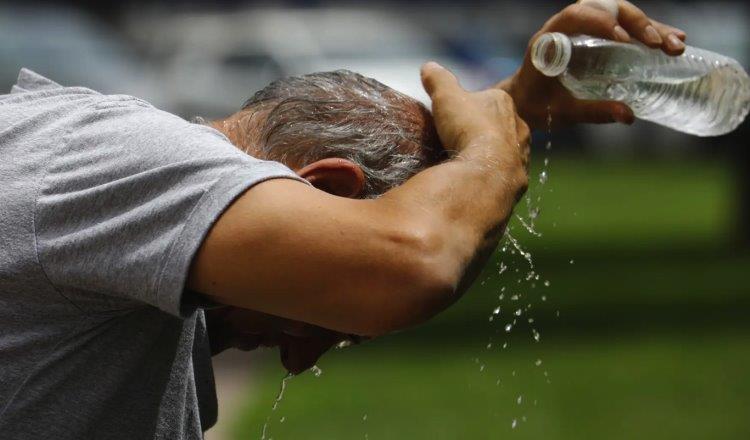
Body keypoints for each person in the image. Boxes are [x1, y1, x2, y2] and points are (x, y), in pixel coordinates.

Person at [0, 1, 686, 438]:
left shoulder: (124, 220)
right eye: (332, 322)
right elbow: (408, 264)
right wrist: (488, 147)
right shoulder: (127, 158)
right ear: (326, 186)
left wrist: (507, 108)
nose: (301, 358)